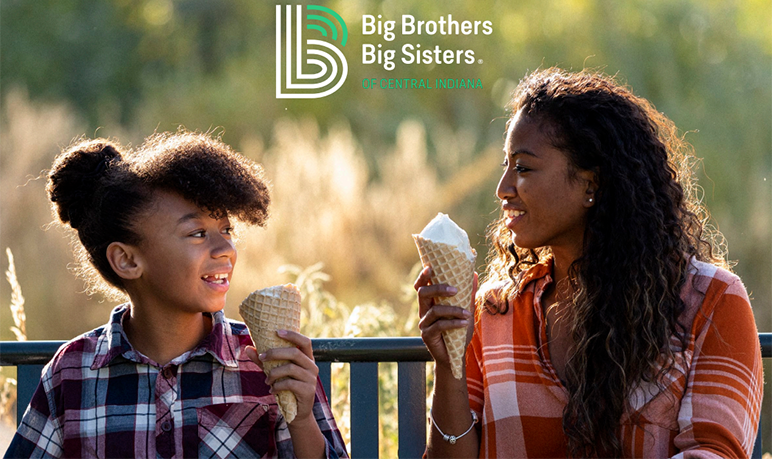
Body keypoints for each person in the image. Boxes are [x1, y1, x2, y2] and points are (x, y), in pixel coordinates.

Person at [416, 68, 763, 459]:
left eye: (524, 168)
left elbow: (715, 452)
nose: (503, 189)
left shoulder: (712, 302)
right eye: (505, 166)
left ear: (591, 184)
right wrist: (449, 366)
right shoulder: (496, 310)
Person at [5, 131, 348, 459]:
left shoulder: (268, 364)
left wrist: (301, 419)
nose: (226, 248)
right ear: (127, 260)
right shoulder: (71, 372)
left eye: (227, 229)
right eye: (198, 233)